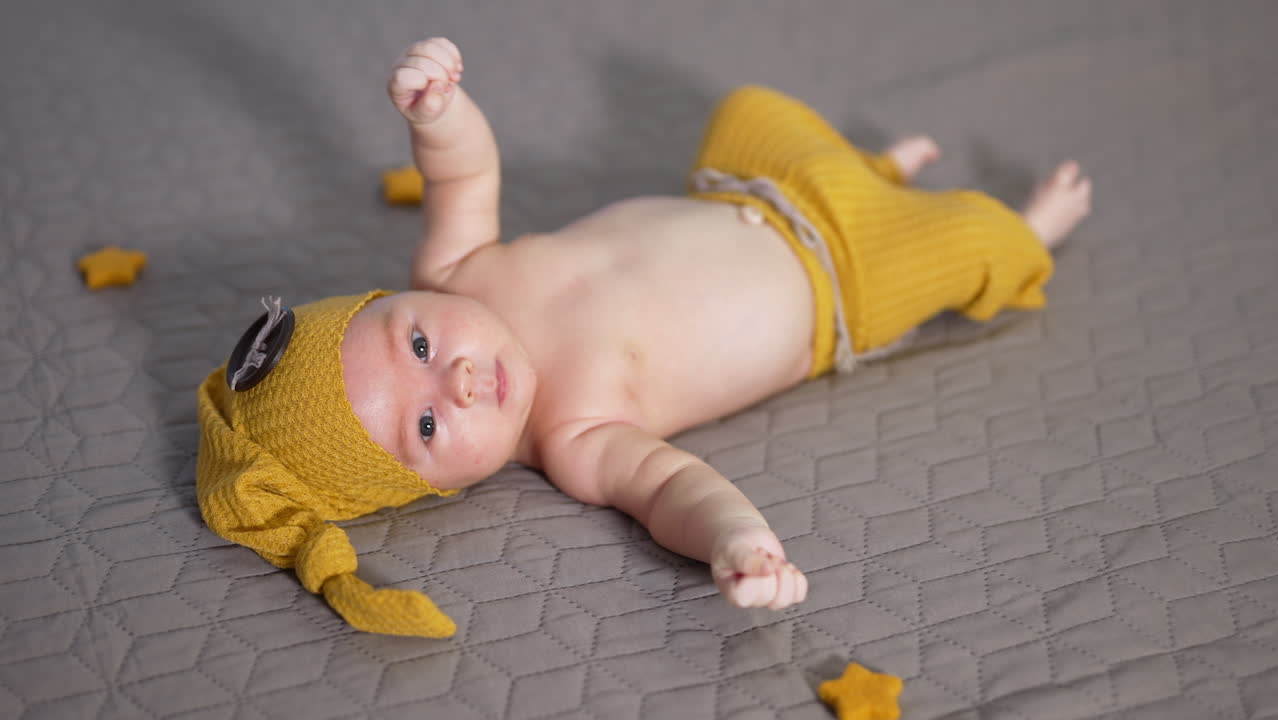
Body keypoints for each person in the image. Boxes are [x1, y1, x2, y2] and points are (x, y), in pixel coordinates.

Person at [195, 37, 1091, 638]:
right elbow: (671, 487)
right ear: (427, 493)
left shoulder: (458, 268)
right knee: (967, 238)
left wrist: (436, 112)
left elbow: (464, 168)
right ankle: (1027, 233)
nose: (459, 382)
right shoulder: (574, 438)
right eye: (427, 430)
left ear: (389, 297)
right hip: (844, 284)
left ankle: (868, 172)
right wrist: (737, 542)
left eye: (419, 346)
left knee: (750, 105)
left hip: (747, 190)